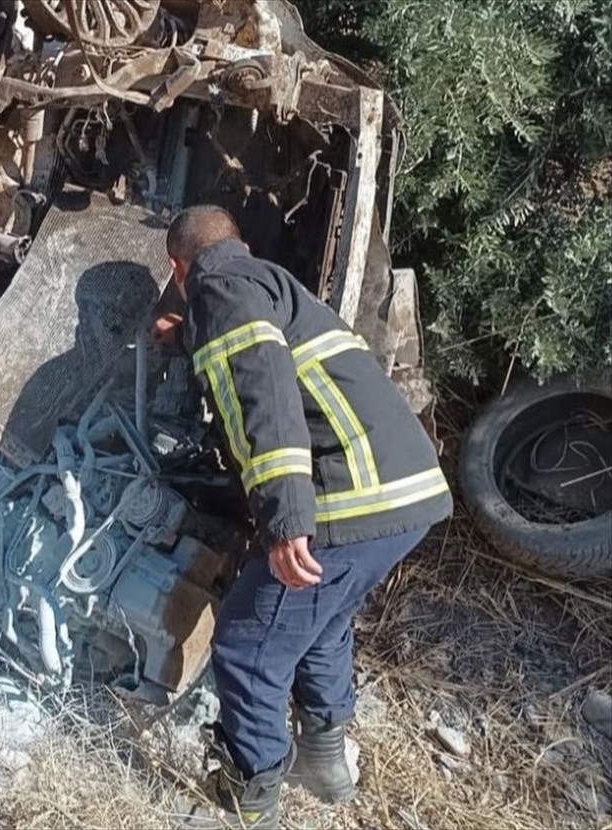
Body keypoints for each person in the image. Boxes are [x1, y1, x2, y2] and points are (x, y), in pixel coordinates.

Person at [159, 205, 452, 829]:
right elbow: (261, 357)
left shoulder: (219, 288)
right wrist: (186, 333)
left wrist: (284, 518)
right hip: (408, 492)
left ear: (176, 266)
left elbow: (264, 391)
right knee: (320, 625)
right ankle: (324, 763)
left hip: (353, 497)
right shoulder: (257, 282)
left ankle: (249, 805)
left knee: (247, 644)